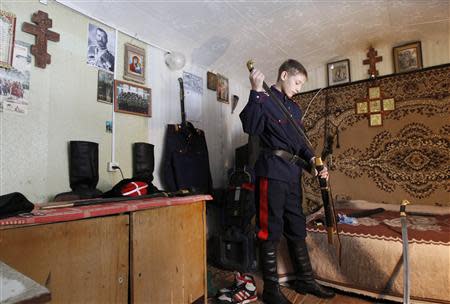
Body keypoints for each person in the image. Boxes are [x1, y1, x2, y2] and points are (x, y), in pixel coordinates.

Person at [239, 59, 335, 304]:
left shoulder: (294, 109)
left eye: (301, 84)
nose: (299, 88)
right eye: (297, 82)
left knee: (296, 225)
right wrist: (254, 90)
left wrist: (314, 162)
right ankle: (271, 290)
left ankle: (304, 279)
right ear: (283, 75)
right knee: (269, 228)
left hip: (292, 175)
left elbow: (300, 143)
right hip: (271, 172)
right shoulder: (264, 97)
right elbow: (250, 126)